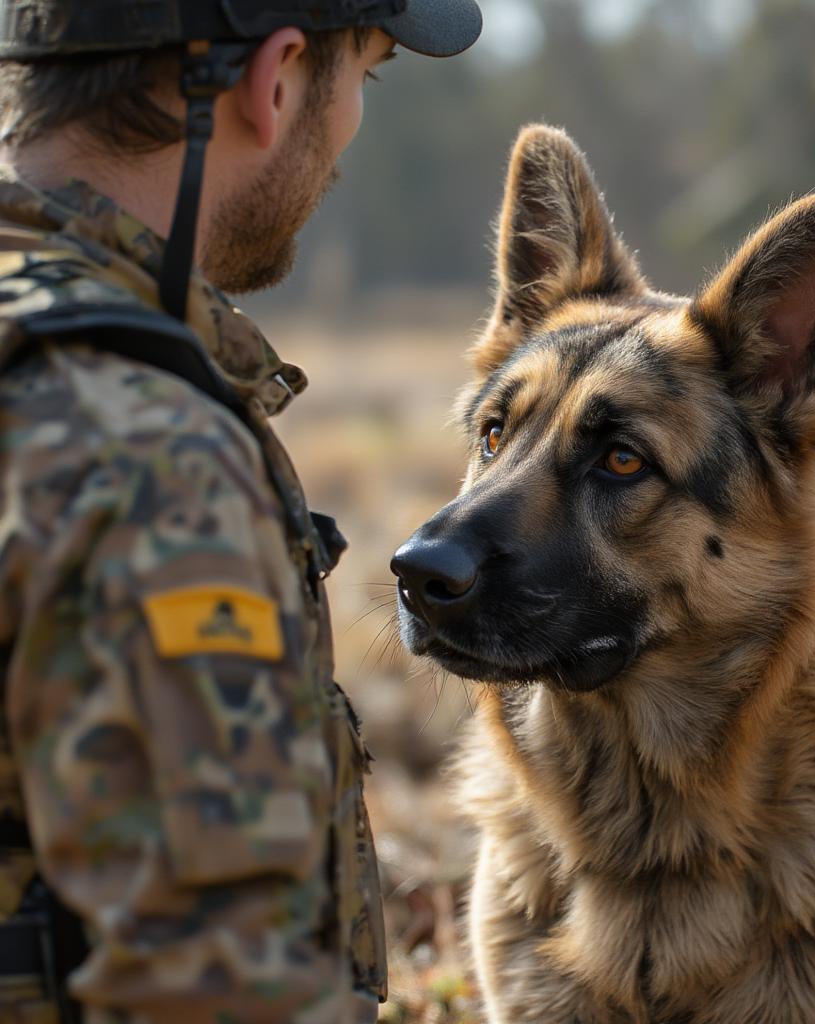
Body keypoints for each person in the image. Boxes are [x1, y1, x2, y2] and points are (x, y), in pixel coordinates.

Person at [0, 1, 481, 1021]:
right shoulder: (138, 451)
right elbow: (213, 990)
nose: (354, 123)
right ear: (275, 78)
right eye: (368, 75)